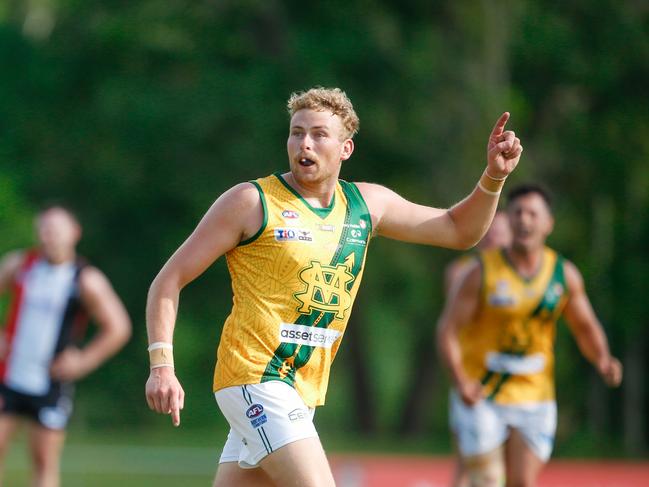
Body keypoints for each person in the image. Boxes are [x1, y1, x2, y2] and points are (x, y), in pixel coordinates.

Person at [145, 86, 523, 487]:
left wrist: (493, 177)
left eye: (319, 134)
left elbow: (458, 230)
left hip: (300, 390)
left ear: (346, 148)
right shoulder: (251, 202)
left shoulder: (367, 205)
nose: (304, 144)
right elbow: (168, 281)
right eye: (296, 132)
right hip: (255, 378)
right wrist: (162, 366)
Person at [437, 184, 623, 487]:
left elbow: (585, 327)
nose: (525, 220)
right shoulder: (479, 272)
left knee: (522, 483)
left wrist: (603, 359)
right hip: (482, 394)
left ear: (548, 223)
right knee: (486, 481)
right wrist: (460, 381)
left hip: (534, 395)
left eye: (533, 214)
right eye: (518, 213)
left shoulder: (563, 275)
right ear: (508, 220)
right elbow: (447, 331)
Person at [0, 205, 132, 487]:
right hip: (8, 375)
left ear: (74, 233)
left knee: (44, 461)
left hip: (50, 381)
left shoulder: (85, 280)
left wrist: (84, 361)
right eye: (45, 230)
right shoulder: (20, 266)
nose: (50, 237)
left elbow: (118, 327)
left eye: (56, 230)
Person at [442, 211, 512, 487]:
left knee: (504, 463)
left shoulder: (523, 274)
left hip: (512, 379)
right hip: (473, 374)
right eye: (490, 232)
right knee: (468, 459)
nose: (495, 238)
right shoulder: (461, 272)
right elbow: (457, 323)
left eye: (501, 233)